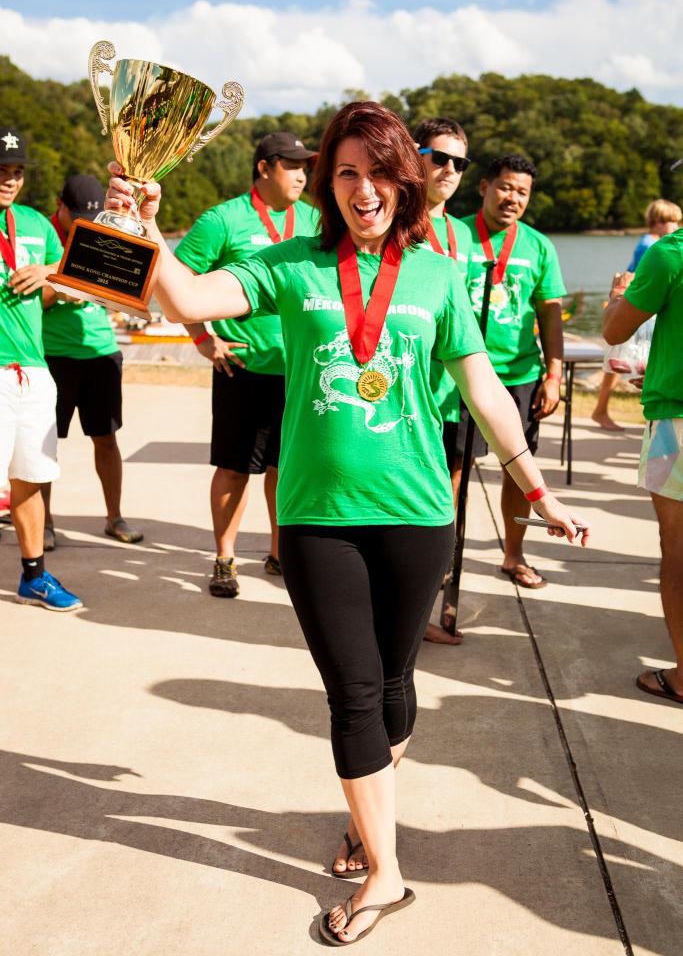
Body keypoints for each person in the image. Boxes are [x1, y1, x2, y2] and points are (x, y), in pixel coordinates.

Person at [103, 101, 588, 945]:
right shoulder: (288, 264)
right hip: (317, 518)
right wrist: (145, 226)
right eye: (346, 174)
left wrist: (535, 488)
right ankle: (385, 875)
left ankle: (369, 815)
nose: (364, 190)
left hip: (417, 512)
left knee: (393, 685)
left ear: (405, 182)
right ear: (329, 184)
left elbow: (480, 387)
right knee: (354, 694)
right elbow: (185, 296)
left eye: (379, 174)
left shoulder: (437, 275)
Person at [175, 132, 317, 598]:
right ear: (264, 168)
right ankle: (224, 558)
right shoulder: (223, 219)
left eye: (305, 166)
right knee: (235, 469)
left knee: (285, 469)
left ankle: (279, 554)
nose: (302, 175)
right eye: (292, 165)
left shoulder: (315, 220)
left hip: (301, 371)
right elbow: (178, 279)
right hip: (242, 368)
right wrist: (203, 338)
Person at [455, 154, 566, 589]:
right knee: (454, 470)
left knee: (518, 470)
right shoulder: (455, 234)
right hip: (461, 374)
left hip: (519, 375)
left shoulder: (539, 246)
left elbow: (550, 314)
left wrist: (553, 375)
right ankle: (445, 557)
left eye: (522, 192)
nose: (512, 198)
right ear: (484, 186)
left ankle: (514, 554)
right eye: (505, 187)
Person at [0, 127, 82, 611]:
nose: (9, 180)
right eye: (1, 171)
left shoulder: (35, 223)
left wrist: (50, 272)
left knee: (30, 478)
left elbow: (70, 280)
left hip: (32, 369)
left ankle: (34, 577)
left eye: (16, 172)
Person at [603, 224, 683, 707]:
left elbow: (615, 331)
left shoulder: (670, 253)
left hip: (676, 420)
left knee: (678, 551)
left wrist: (617, 297)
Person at [41, 174, 143, 549]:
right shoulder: (43, 235)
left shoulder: (103, 230)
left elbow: (123, 293)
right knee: (44, 444)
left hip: (101, 352)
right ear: (60, 206)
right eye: (78, 217)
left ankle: (114, 517)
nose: (85, 224)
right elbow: (32, 297)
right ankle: (44, 522)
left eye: (92, 217)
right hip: (53, 354)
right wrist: (63, 286)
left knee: (106, 438)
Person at [414, 116, 473, 645]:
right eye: (440, 157)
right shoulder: (393, 224)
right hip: (407, 394)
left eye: (460, 161)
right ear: (415, 157)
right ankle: (408, 615)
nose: (450, 169)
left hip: (453, 393)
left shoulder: (466, 234)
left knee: (446, 500)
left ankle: (425, 608)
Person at [592, 198, 682, 431]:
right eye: (670, 221)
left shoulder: (661, 245)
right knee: (619, 361)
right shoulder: (653, 245)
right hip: (637, 302)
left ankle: (601, 409)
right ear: (657, 221)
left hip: (638, 300)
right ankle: (601, 409)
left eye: (677, 221)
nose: (675, 226)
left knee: (621, 362)